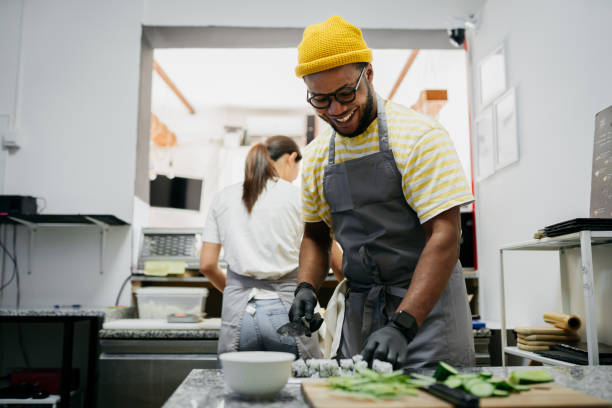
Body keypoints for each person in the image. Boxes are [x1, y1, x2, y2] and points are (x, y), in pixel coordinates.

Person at [289, 16, 476, 368]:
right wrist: (306, 288)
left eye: (346, 93)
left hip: (429, 312)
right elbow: (316, 236)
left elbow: (445, 236)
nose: (336, 110)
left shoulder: (420, 136)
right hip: (362, 315)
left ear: (369, 75)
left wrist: (403, 323)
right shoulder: (315, 157)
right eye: (321, 100)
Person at [200, 135, 321, 359]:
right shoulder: (298, 196)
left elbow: (207, 264)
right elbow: (324, 250)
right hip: (289, 312)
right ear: (291, 158)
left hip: (239, 313)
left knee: (239, 390)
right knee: (301, 386)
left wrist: (238, 288)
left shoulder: (223, 197)